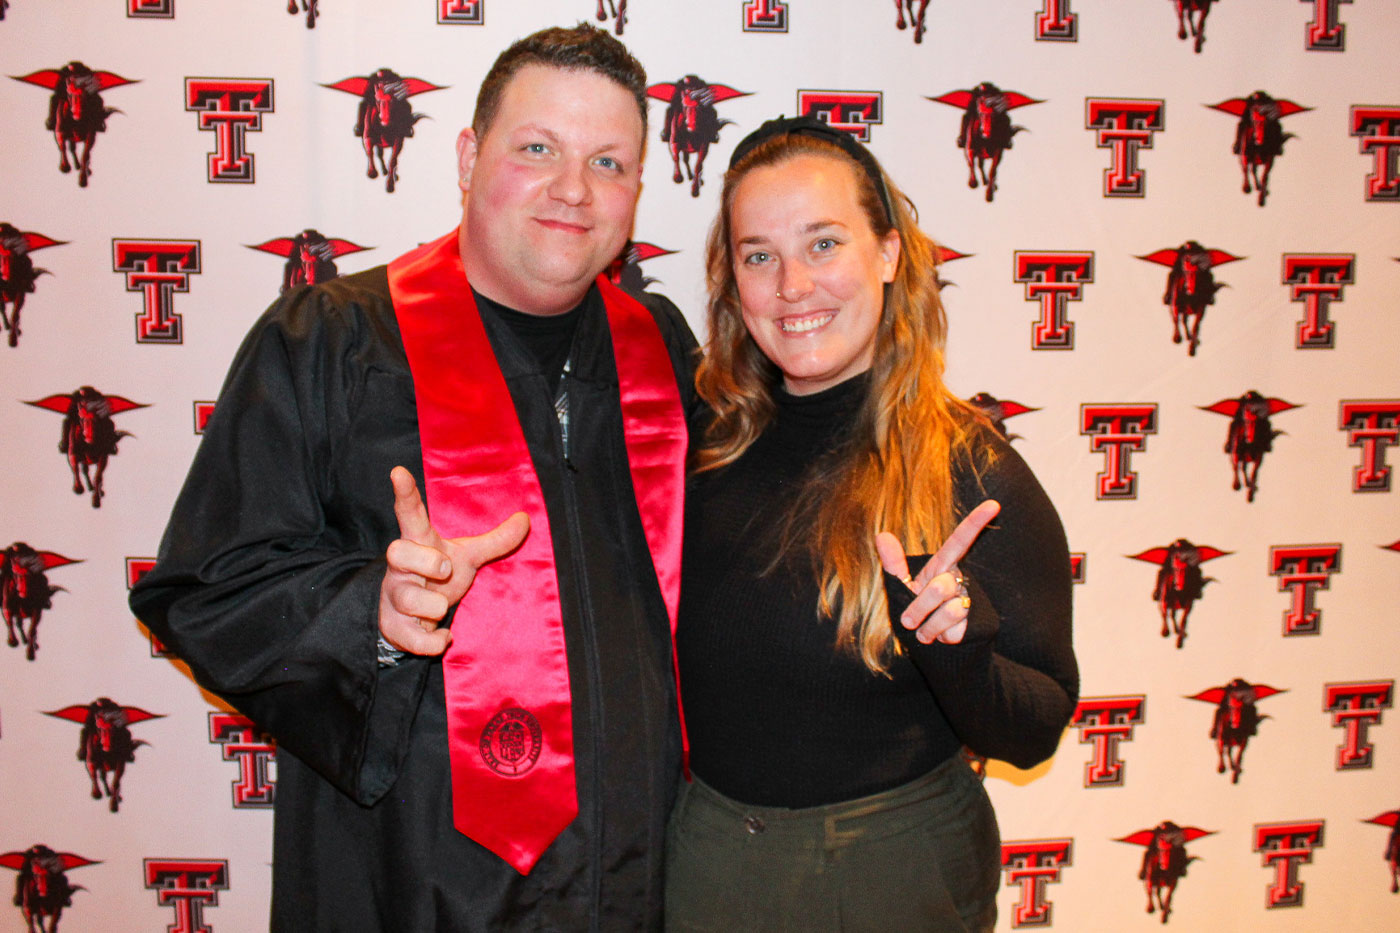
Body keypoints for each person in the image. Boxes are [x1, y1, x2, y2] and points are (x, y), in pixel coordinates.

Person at [130, 24, 698, 931]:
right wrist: (373, 615)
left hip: (639, 883)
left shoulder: (662, 353)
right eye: (537, 148)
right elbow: (205, 588)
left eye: (608, 163)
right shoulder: (328, 340)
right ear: (470, 156)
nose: (572, 190)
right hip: (406, 885)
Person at [666, 116, 1078, 932]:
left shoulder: (969, 465)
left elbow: (1035, 728)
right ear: (732, 280)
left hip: (893, 874)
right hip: (704, 860)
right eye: (760, 255)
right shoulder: (695, 441)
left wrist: (961, 656)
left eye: (823, 244)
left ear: (888, 253)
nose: (792, 285)